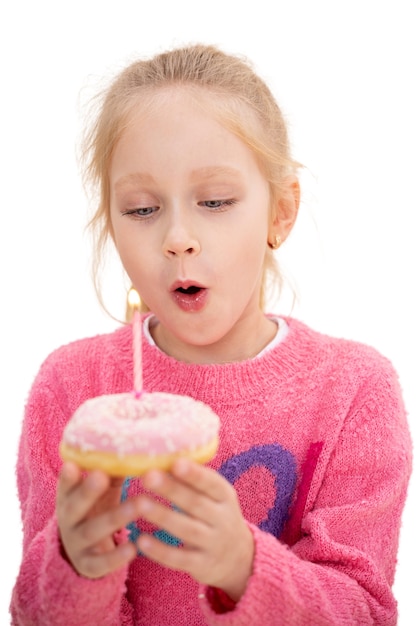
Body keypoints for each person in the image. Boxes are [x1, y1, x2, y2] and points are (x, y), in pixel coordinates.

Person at [10, 44, 412, 625]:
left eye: (215, 201)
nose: (177, 237)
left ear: (280, 213)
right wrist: (77, 564)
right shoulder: (72, 389)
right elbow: (33, 614)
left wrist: (243, 566)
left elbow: (366, 612)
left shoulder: (353, 392)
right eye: (142, 209)